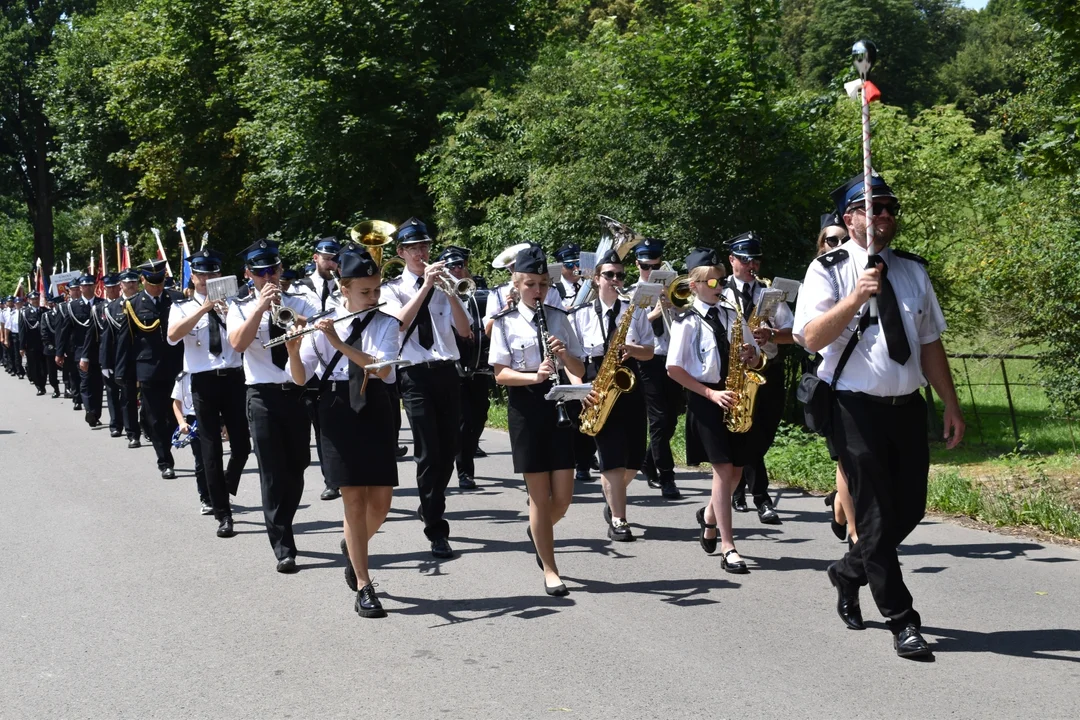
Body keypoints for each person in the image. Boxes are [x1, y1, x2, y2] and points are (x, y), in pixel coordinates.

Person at [793, 171, 965, 659]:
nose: (886, 215)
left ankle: (848, 571)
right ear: (850, 218)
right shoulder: (827, 270)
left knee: (909, 508)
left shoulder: (912, 272)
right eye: (875, 207)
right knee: (871, 516)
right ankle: (902, 620)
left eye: (891, 207)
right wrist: (854, 297)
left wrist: (950, 403)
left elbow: (930, 343)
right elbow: (810, 338)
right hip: (853, 408)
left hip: (906, 407)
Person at [286, 247, 401, 617]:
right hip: (335, 409)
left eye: (377, 290)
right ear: (344, 288)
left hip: (376, 404)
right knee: (353, 500)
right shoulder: (321, 322)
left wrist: (337, 342)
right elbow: (300, 378)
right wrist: (292, 349)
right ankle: (365, 586)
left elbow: (382, 369)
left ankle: (351, 546)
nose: (374, 297)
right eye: (365, 292)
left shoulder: (385, 323)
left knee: (381, 504)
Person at [489, 246, 586, 596]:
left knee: (562, 497)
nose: (538, 291)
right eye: (531, 284)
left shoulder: (560, 317)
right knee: (539, 498)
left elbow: (579, 369)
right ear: (516, 285)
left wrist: (563, 355)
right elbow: (500, 374)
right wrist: (534, 376)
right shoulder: (505, 322)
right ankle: (551, 568)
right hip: (526, 407)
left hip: (558, 404)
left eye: (543, 284)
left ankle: (537, 529)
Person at [666, 247, 762, 574]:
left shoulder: (732, 313)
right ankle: (728, 546)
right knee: (723, 470)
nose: (718, 285)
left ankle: (708, 517)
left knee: (736, 471)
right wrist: (710, 393)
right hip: (706, 399)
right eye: (711, 281)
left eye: (720, 279)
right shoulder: (685, 320)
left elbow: (757, 355)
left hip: (734, 394)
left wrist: (753, 356)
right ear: (693, 285)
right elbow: (674, 369)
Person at [381, 217, 472, 559]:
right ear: (402, 251)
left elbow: (463, 332)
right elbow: (399, 324)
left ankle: (430, 503)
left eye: (426, 246)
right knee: (428, 450)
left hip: (446, 370)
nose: (423, 252)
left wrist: (450, 295)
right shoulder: (391, 289)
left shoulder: (445, 282)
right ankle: (436, 527)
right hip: (414, 374)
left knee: (448, 449)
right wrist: (425, 287)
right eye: (415, 247)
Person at [227, 239, 318, 571]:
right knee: (272, 472)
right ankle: (283, 544)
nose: (268, 278)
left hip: (295, 391)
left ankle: (286, 521)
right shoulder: (239, 306)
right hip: (261, 396)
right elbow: (237, 343)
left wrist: (300, 327)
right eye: (260, 273)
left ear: (281, 271)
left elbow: (315, 342)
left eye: (273, 271)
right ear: (249, 274)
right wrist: (260, 309)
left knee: (297, 467)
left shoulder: (301, 301)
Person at [566, 248, 654, 542]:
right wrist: (580, 389)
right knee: (612, 456)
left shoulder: (635, 310)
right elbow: (569, 358)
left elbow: (650, 351)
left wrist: (632, 350)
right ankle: (619, 519)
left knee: (635, 459)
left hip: (628, 381)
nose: (615, 280)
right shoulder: (579, 315)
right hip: (596, 382)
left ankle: (613, 498)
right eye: (609, 275)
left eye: (619, 275)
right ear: (596, 279)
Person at [168, 248, 252, 537]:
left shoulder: (237, 303)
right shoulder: (181, 305)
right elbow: (173, 336)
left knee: (242, 445)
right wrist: (203, 309)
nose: (207, 279)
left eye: (213, 273)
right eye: (202, 274)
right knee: (211, 450)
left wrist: (229, 312)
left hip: (234, 378)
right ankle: (223, 514)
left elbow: (245, 339)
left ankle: (225, 485)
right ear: (194, 277)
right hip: (203, 382)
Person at [723, 232, 795, 525]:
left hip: (768, 370)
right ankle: (761, 497)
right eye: (744, 259)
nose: (752, 265)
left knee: (764, 433)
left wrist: (772, 334)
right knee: (746, 432)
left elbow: (794, 333)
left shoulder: (770, 292)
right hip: (735, 373)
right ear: (732, 260)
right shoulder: (721, 292)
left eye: (755, 259)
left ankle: (739, 485)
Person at [118, 261, 185, 476]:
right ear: (143, 280)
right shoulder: (133, 305)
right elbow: (125, 341)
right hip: (148, 369)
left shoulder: (176, 300)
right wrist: (123, 373)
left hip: (176, 366)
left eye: (160, 282)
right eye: (153, 283)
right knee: (155, 418)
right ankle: (165, 461)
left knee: (173, 415)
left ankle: (167, 442)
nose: (157, 287)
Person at [815, 213, 857, 543]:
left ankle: (840, 509)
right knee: (845, 455)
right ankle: (854, 531)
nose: (839, 245)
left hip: (862, 377)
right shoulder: (819, 277)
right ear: (821, 245)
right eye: (832, 240)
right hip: (829, 379)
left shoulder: (858, 271)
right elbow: (808, 336)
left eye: (844, 239)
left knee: (849, 458)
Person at [291, 236, 342, 501]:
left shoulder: (346, 285)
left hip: (336, 358)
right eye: (327, 258)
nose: (332, 263)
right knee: (316, 425)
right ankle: (328, 475)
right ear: (315, 258)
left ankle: (333, 479)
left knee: (329, 425)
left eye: (335, 259)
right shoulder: (300, 287)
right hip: (309, 355)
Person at [634, 238, 683, 500]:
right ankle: (667, 477)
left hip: (673, 357)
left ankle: (647, 460)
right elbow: (632, 326)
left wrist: (675, 305)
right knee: (659, 418)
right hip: (648, 360)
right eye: (645, 266)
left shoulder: (672, 289)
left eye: (655, 266)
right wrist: (654, 312)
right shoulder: (631, 292)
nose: (649, 272)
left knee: (672, 417)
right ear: (637, 265)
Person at [442, 244, 490, 490]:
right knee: (462, 420)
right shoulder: (439, 295)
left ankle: (463, 454)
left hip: (478, 365)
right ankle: (464, 471)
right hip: (453, 365)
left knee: (479, 416)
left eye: (460, 265)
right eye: (451, 266)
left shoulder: (478, 293)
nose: (457, 269)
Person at [110, 270, 144, 448]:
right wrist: (110, 365)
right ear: (120, 285)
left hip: (146, 358)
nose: (131, 284)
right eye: (127, 282)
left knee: (149, 398)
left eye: (133, 281)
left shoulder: (144, 303)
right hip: (126, 360)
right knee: (129, 398)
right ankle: (132, 433)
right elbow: (110, 340)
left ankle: (148, 427)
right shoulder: (112, 307)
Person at [171, 372, 212, 515]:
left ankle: (219, 492)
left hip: (212, 416)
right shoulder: (183, 377)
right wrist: (182, 422)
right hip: (193, 420)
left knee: (214, 459)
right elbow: (176, 402)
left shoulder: (211, 373)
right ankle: (205, 498)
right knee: (201, 462)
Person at [68, 276, 105, 427]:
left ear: (95, 286)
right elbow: (65, 330)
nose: (88, 288)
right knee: (85, 382)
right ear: (80, 288)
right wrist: (60, 351)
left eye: (91, 285)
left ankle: (96, 413)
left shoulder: (101, 304)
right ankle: (89, 410)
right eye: (85, 286)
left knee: (97, 384)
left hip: (98, 350)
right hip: (81, 350)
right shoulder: (73, 306)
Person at [94, 275, 125, 436]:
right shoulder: (99, 308)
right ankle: (115, 424)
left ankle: (130, 423)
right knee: (112, 392)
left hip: (125, 355)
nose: (112, 290)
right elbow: (95, 335)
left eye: (114, 287)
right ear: (105, 289)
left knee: (127, 393)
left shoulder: (125, 305)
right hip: (108, 355)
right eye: (109, 287)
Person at [20, 292, 47, 395]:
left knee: (44, 366)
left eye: (36, 298)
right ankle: (39, 386)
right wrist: (22, 346)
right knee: (34, 366)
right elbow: (22, 330)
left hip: (44, 343)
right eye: (33, 299)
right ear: (29, 300)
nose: (35, 301)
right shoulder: (24, 313)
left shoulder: (44, 310)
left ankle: (43, 383)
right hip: (31, 344)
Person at [40, 295, 61, 397]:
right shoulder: (46, 316)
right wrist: (49, 345)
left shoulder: (64, 314)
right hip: (50, 347)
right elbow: (43, 332)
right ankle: (55, 388)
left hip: (63, 346)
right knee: (52, 371)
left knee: (67, 370)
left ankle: (68, 388)